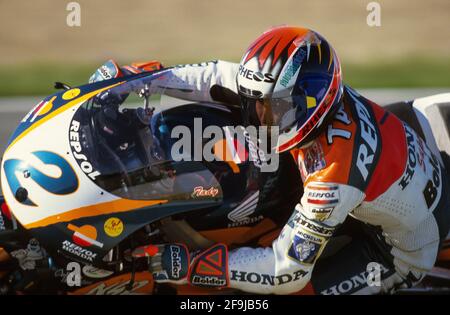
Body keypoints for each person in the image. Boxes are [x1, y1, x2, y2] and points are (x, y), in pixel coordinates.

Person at [90, 26, 450, 294]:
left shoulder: (333, 174)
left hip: (396, 248)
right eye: (254, 102)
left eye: (269, 108)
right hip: (397, 174)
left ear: (310, 103)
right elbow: (215, 76)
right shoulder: (292, 92)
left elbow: (286, 270)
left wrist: (193, 266)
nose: (258, 115)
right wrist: (144, 81)